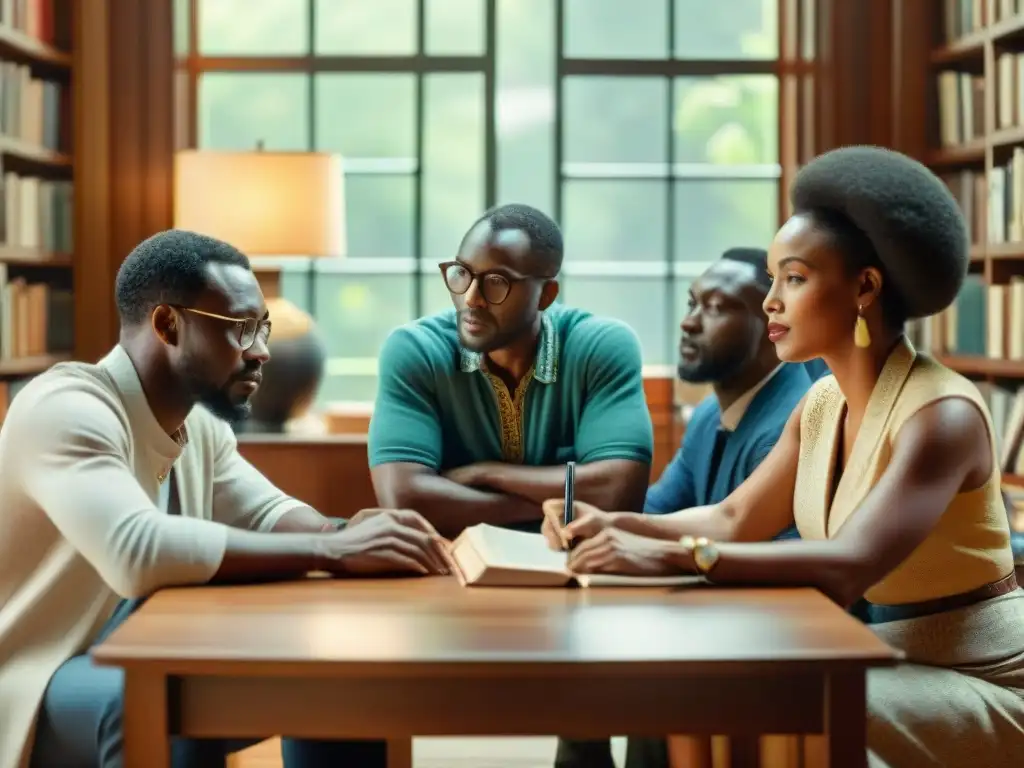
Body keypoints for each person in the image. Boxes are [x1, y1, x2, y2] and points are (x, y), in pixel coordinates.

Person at [541, 146, 1024, 768]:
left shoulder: (943, 416)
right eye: (772, 279)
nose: (771, 300)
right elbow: (732, 518)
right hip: (883, 648)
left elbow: (848, 565)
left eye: (793, 278)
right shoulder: (822, 401)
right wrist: (611, 524)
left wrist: (666, 553)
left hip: (986, 675)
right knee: (701, 685)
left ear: (864, 289)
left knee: (767, 703)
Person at [0, 230, 450, 768]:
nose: (261, 350)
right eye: (240, 329)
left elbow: (271, 515)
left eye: (261, 327)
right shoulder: (65, 408)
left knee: (337, 672)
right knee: (155, 693)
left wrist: (342, 534)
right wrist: (332, 551)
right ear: (169, 325)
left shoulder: (199, 428)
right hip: (36, 676)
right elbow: (136, 552)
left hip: (147, 649)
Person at [619, 248, 816, 768]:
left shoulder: (792, 422)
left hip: (786, 647)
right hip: (719, 621)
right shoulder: (710, 414)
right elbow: (659, 511)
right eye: (691, 302)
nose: (688, 321)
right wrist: (603, 525)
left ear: (772, 327)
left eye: (715, 307)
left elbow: (789, 578)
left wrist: (643, 545)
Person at [368, 203, 654, 540]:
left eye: (495, 281)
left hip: (579, 570)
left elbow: (619, 494)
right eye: (462, 273)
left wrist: (486, 474)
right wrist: (562, 504)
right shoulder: (418, 350)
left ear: (545, 295)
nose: (471, 298)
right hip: (451, 574)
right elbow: (405, 501)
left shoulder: (600, 348)